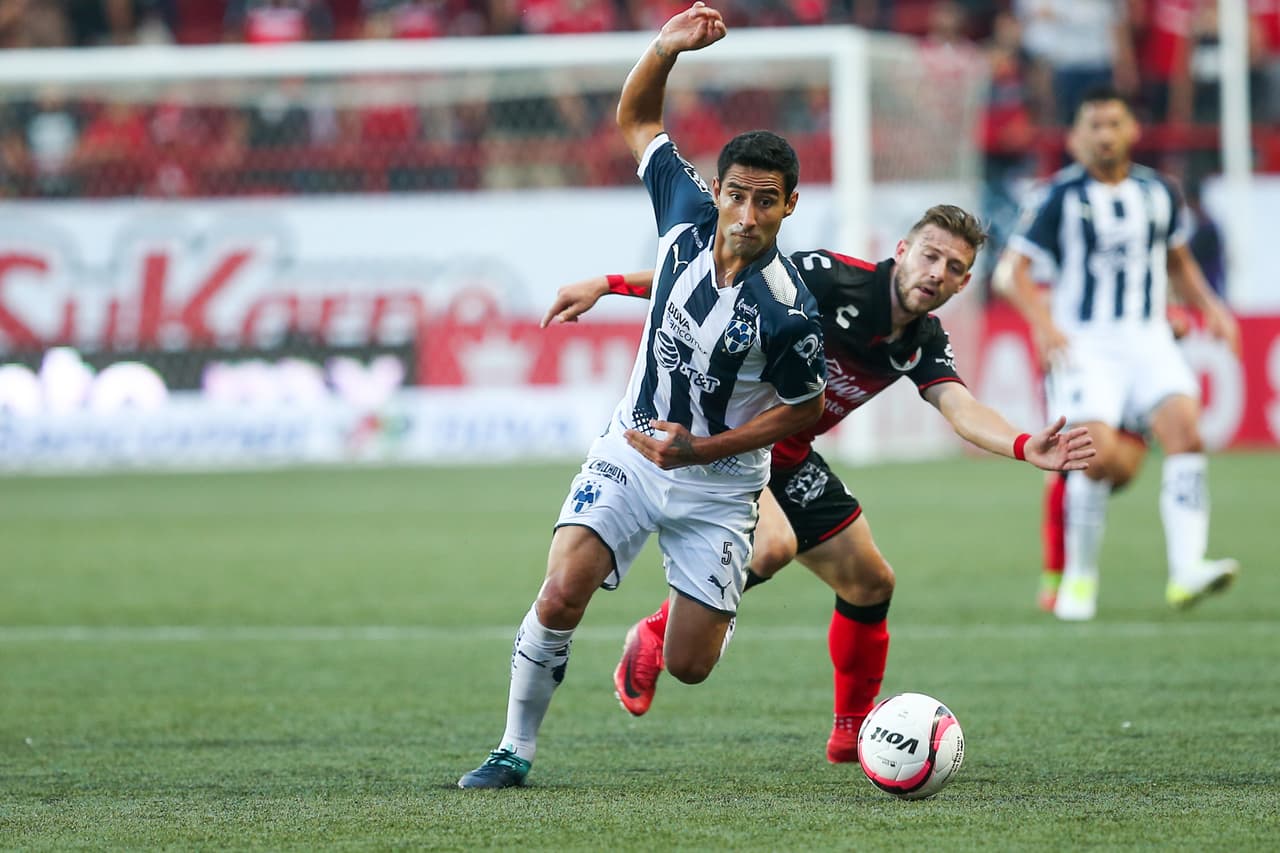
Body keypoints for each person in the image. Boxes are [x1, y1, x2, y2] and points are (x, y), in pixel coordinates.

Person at [542, 204, 1097, 763]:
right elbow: (714, 273)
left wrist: (1026, 446)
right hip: (728, 446)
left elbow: (960, 406)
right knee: (775, 544)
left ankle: (852, 732)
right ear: (901, 251)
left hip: (791, 458)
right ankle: (659, 633)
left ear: (965, 282)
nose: (937, 273)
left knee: (870, 582)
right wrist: (609, 284)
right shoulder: (832, 279)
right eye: (930, 255)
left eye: (954, 267)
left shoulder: (923, 339)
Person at [458, 2, 829, 789]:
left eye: (767, 201)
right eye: (737, 194)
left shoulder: (790, 314)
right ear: (718, 189)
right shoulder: (685, 213)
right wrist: (664, 47)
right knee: (562, 588)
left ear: (790, 205)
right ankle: (513, 747)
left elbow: (803, 410)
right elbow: (637, 119)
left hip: (721, 485)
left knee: (692, 665)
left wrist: (702, 448)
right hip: (630, 448)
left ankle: (660, 637)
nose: (747, 214)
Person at [998, 83, 1240, 622]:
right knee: (1095, 456)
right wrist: (1046, 326)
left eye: (1114, 124)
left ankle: (1186, 569)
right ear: (1076, 137)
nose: (1105, 135)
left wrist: (1213, 308)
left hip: (1149, 337)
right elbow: (1009, 273)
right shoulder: (1058, 196)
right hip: (1087, 343)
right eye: (1094, 126)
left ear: (1132, 130)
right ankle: (1080, 579)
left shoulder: (1159, 192)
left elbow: (1178, 260)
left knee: (1187, 431)